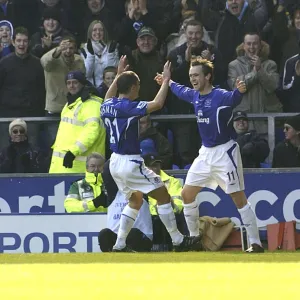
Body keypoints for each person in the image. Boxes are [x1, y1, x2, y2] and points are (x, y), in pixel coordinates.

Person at [155, 57, 264, 253]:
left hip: (225, 153)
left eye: (196, 75)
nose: (193, 79)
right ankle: (195, 239)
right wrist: (167, 81)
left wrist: (239, 91)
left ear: (208, 76)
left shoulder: (220, 96)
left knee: (239, 199)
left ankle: (255, 243)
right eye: (190, 76)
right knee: (187, 194)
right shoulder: (194, 95)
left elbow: (233, 98)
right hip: (205, 153)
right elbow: (180, 91)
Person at [100, 56, 201, 252]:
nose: (139, 89)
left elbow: (108, 97)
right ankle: (178, 240)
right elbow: (158, 103)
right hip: (130, 161)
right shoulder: (128, 107)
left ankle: (119, 244)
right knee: (162, 194)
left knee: (135, 199)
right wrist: (165, 81)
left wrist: (119, 75)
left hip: (114, 162)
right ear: (132, 88)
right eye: (137, 86)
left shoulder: (107, 105)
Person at [49, 70, 106, 173]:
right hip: (62, 166)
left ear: (82, 84)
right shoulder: (70, 104)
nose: (71, 86)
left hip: (80, 168)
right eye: (68, 83)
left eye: (75, 82)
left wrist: (73, 152)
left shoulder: (92, 104)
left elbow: (91, 131)